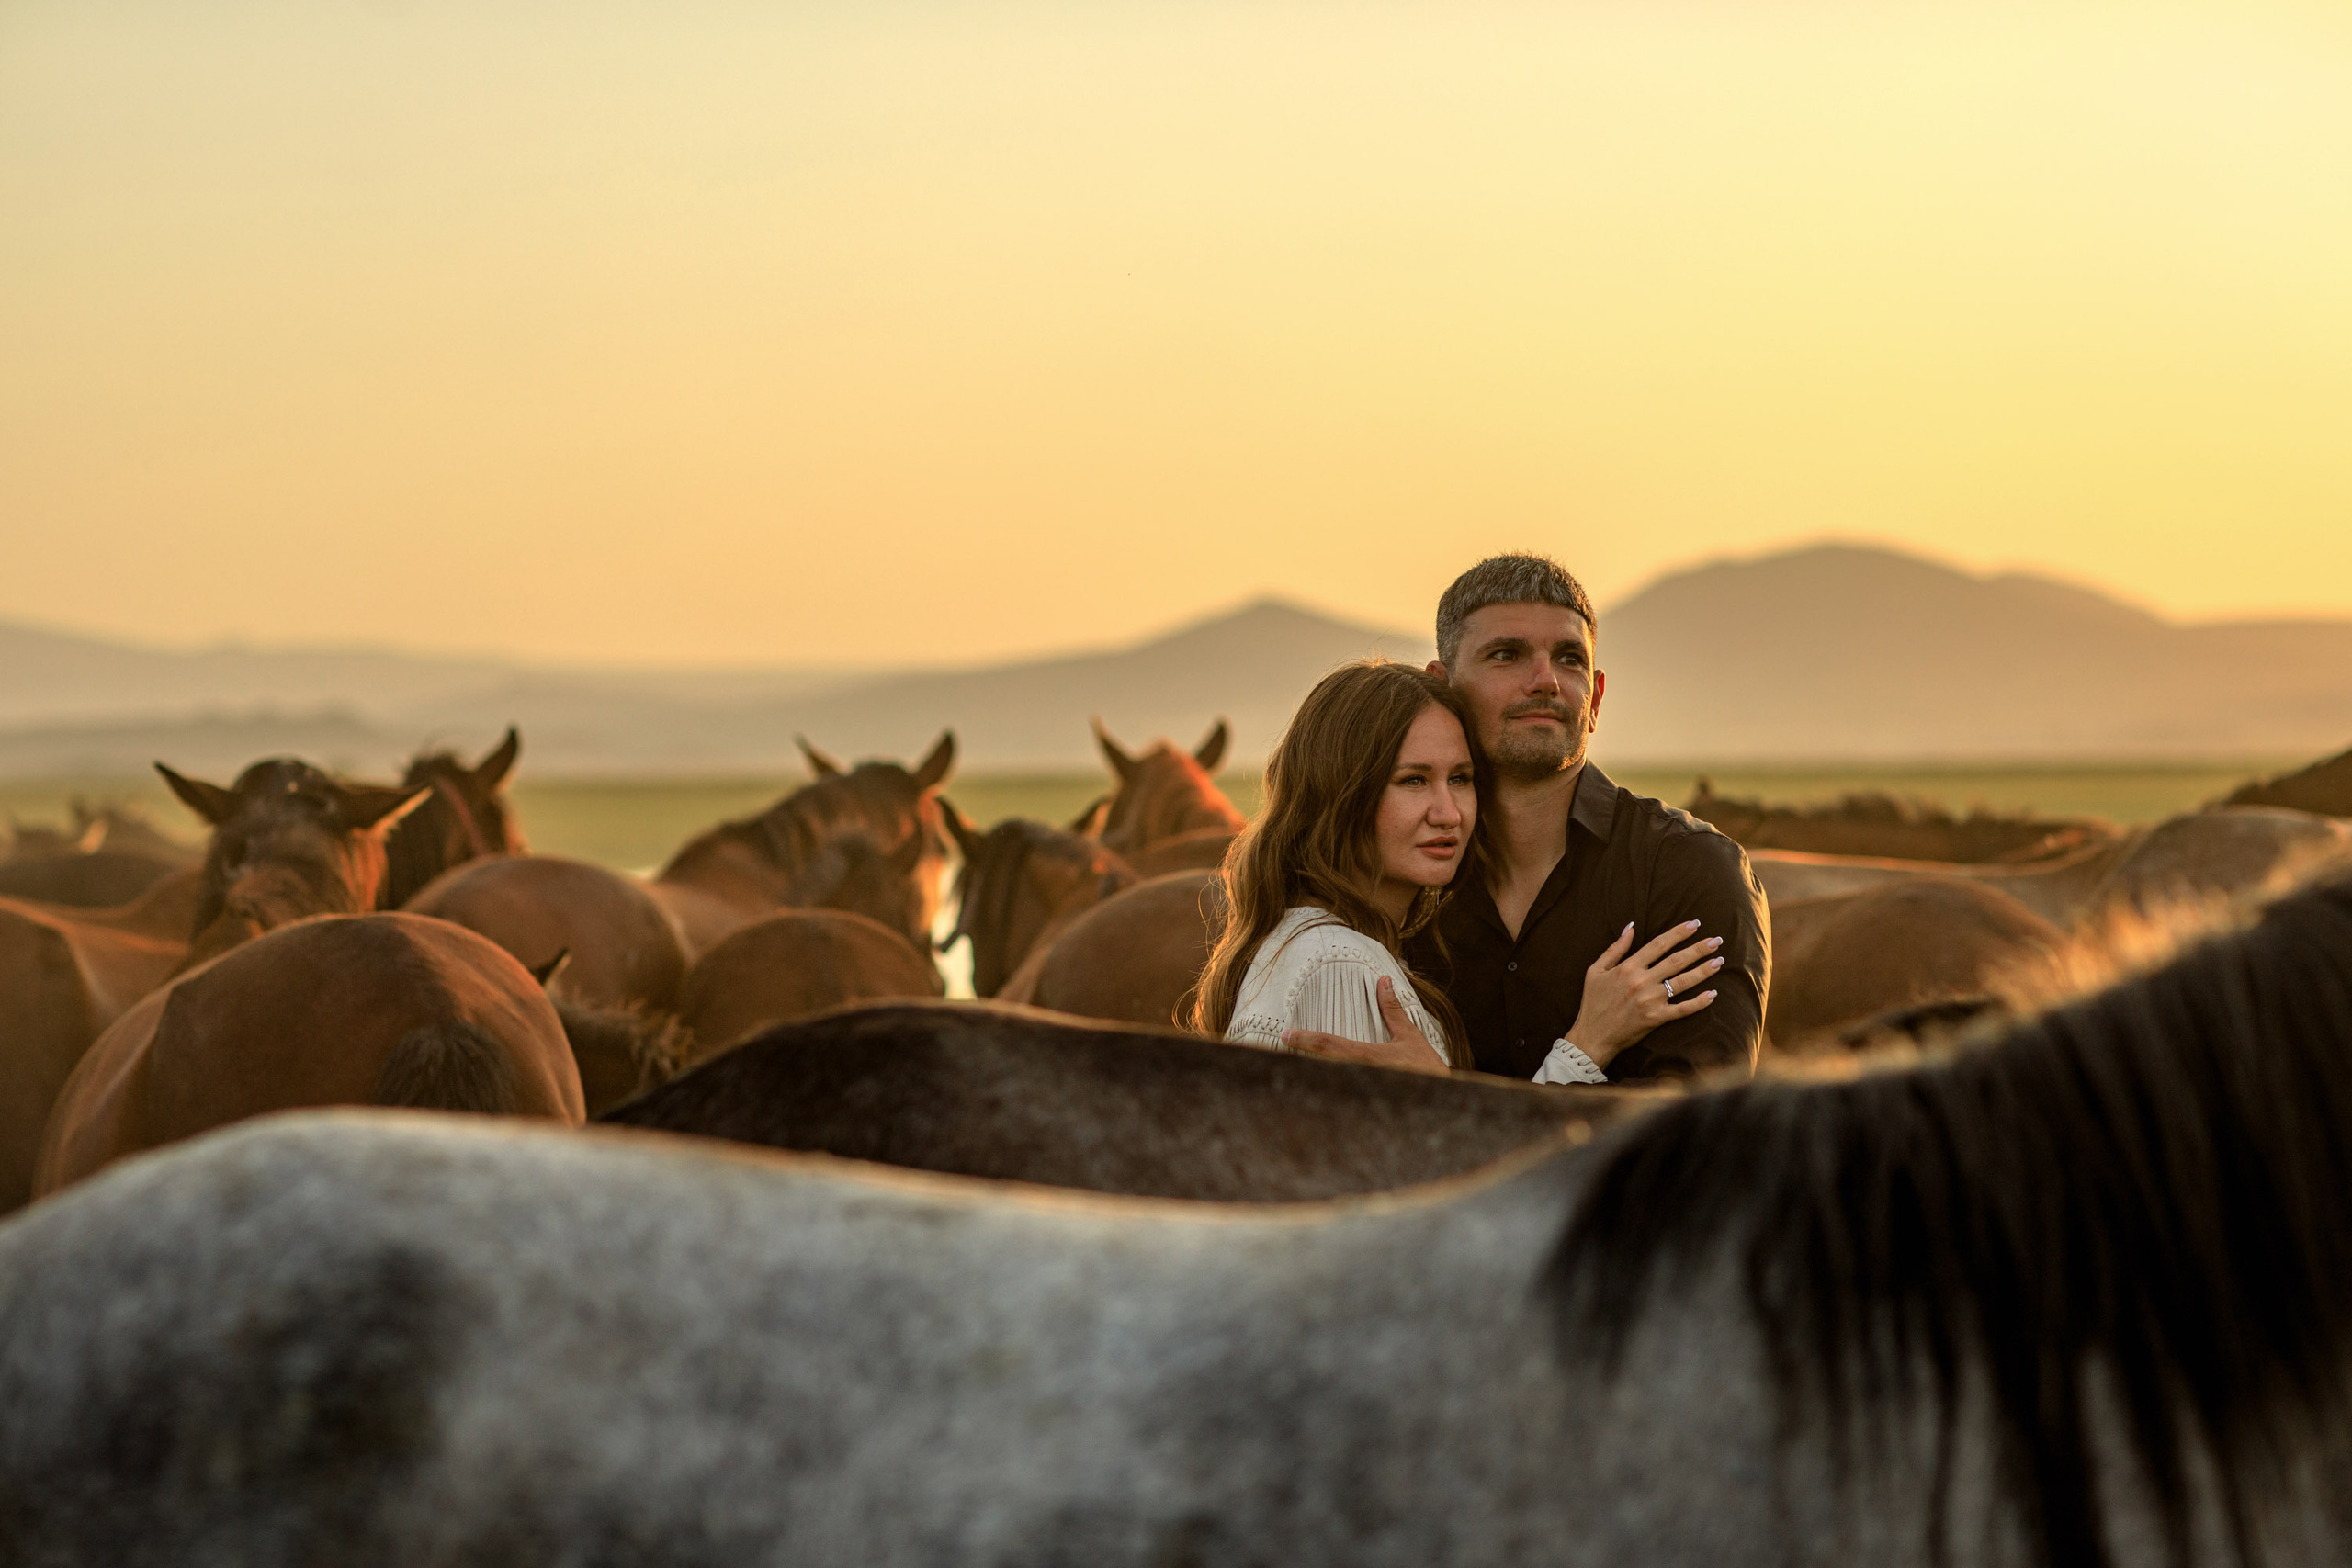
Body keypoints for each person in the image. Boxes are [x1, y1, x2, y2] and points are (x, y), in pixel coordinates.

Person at [1284, 553, 1769, 1084]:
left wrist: (1446, 1100)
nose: (1545, 680)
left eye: (1569, 658)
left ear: (1596, 699)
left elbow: (1697, 1126)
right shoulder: (1401, 882)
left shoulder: (1689, 872)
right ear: (1443, 687)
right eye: (1507, 655)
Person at [1188, 660, 1477, 1069]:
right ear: (1339, 794)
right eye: (1413, 780)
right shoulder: (1338, 965)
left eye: (1460, 779)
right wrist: (1574, 1055)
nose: (1449, 814)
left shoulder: (1321, 943)